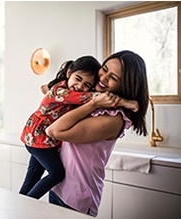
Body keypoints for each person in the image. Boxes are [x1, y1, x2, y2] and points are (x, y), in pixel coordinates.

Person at [45, 50, 149, 217]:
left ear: (126, 86)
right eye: (105, 68)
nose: (103, 78)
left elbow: (54, 131)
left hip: (77, 196)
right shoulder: (95, 101)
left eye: (114, 78)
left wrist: (93, 104)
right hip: (59, 187)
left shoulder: (113, 119)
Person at [19, 55, 138, 200]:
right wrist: (124, 102)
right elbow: (86, 98)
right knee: (55, 173)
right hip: (39, 137)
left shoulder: (111, 117)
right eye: (78, 79)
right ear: (69, 73)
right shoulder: (64, 92)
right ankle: (26, 204)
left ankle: (23, 202)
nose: (81, 87)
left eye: (87, 85)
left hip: (41, 140)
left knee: (33, 175)